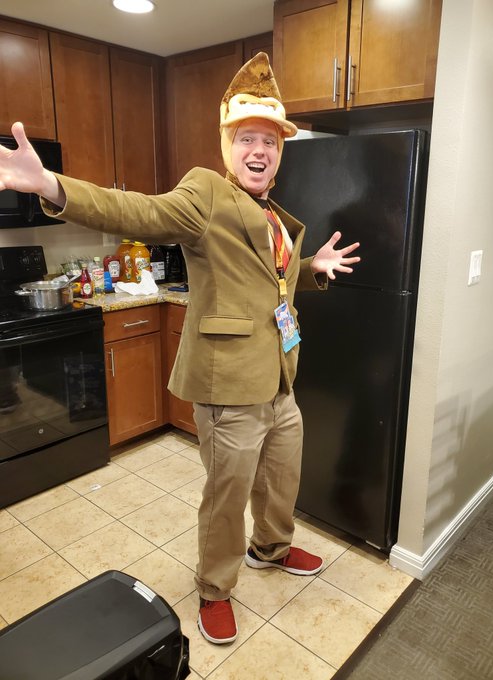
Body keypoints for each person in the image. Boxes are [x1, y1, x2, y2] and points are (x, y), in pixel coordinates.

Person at [0, 52, 360, 644]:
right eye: (247, 138)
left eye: (270, 142)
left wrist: (310, 267)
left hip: (280, 378)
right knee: (227, 496)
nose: (259, 151)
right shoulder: (206, 194)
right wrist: (51, 186)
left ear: (280, 153)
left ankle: (271, 548)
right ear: (227, 146)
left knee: (281, 479)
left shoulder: (273, 216)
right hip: (229, 386)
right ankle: (215, 588)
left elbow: (268, 284)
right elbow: (139, 209)